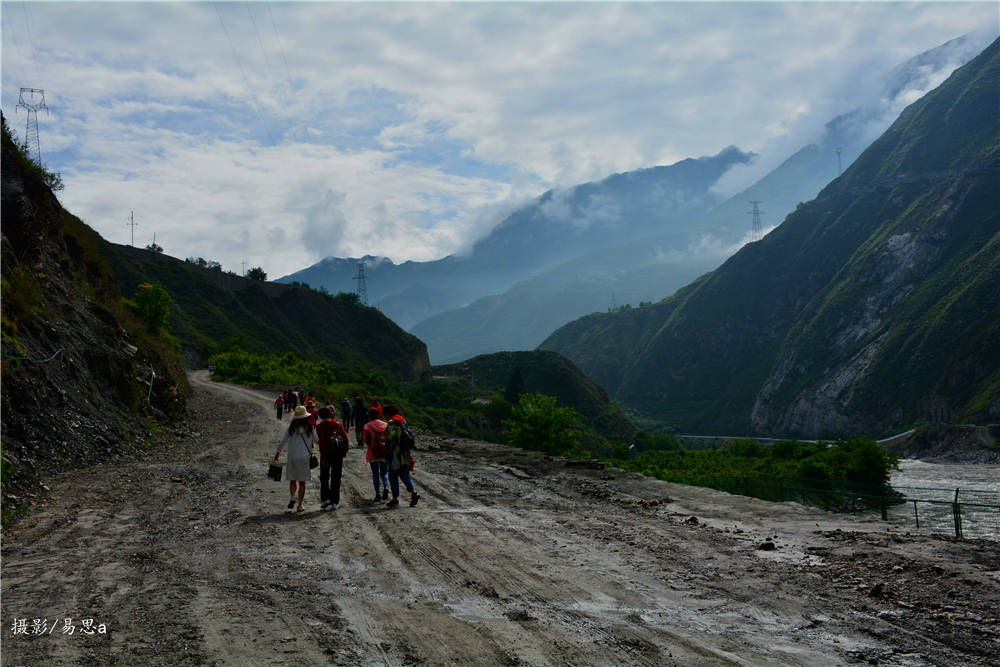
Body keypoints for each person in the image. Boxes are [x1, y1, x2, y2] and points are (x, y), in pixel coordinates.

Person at [274, 405, 316, 512]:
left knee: (293, 480)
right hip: (304, 458)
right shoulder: (310, 428)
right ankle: (300, 505)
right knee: (302, 482)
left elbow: (282, 441)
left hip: (292, 457)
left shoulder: (291, 428)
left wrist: (277, 453)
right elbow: (318, 440)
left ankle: (292, 497)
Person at [384, 407, 419, 508]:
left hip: (395, 453)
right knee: (405, 475)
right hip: (405, 453)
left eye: (385, 414)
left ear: (388, 413)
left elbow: (391, 436)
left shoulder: (391, 422)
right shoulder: (402, 419)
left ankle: (395, 499)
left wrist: (385, 439)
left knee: (393, 476)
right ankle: (413, 493)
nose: (384, 417)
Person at [316, 406, 349, 509]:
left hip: (325, 455)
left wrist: (324, 456)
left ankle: (325, 499)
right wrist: (343, 452)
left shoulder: (320, 427)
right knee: (336, 477)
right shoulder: (338, 425)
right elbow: (346, 440)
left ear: (320, 416)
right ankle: (335, 502)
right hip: (337, 455)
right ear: (330, 414)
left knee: (324, 477)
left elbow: (321, 443)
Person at [363, 407, 389, 502]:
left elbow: (366, 440)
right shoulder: (386, 425)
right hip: (384, 452)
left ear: (369, 415)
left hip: (373, 453)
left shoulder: (367, 426)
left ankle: (378, 494)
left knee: (375, 474)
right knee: (384, 473)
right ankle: (386, 486)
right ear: (378, 414)